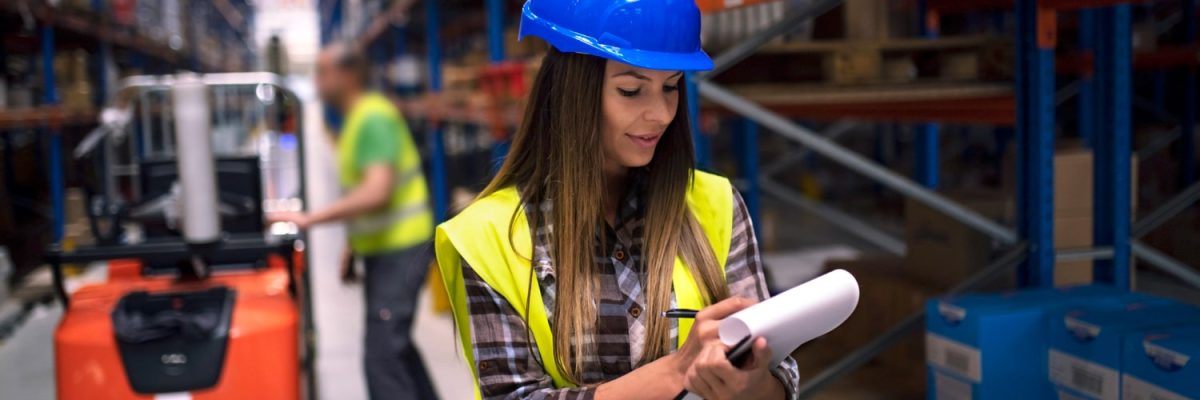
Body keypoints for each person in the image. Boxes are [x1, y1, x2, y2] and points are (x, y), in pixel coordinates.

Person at [433, 1, 801, 399]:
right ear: (574, 91)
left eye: (671, 86)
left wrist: (752, 384)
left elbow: (779, 376)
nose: (660, 114)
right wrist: (677, 370)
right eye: (631, 90)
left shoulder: (715, 205)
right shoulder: (486, 237)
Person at [270, 43, 439, 400]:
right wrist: (352, 245)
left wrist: (311, 218)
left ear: (346, 76)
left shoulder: (372, 118)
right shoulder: (357, 118)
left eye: (322, 71)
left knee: (382, 357)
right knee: (396, 345)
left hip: (401, 249)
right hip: (384, 248)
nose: (316, 80)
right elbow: (365, 191)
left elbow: (377, 191)